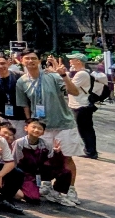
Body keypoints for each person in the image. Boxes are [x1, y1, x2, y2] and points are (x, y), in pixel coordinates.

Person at [15, 52, 84, 203]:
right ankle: (47, 185)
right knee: (44, 158)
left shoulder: (52, 76)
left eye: (34, 58)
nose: (31, 61)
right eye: (27, 58)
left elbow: (74, 91)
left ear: (39, 60)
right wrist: (29, 122)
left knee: (66, 157)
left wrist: (63, 75)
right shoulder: (22, 81)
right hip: (42, 127)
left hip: (63, 124)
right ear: (21, 61)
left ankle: (70, 189)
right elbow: (25, 104)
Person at [12, 118, 75, 207]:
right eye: (33, 127)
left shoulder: (45, 144)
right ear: (26, 128)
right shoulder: (19, 143)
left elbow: (54, 164)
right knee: (33, 198)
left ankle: (55, 193)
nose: (36, 130)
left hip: (39, 172)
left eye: (39, 128)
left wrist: (57, 154)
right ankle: (15, 188)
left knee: (65, 172)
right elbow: (14, 162)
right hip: (25, 173)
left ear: (43, 132)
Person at [67, 52, 102, 160]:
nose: (70, 61)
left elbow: (70, 87)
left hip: (81, 105)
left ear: (78, 61)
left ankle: (91, 151)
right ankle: (90, 150)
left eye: (72, 59)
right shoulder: (80, 73)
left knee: (85, 129)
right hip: (80, 105)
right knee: (85, 129)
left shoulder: (81, 74)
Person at [0, 53, 23, 131]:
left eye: (3, 63)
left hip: (20, 117)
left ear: (8, 63)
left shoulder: (19, 76)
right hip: (2, 117)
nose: (1, 66)